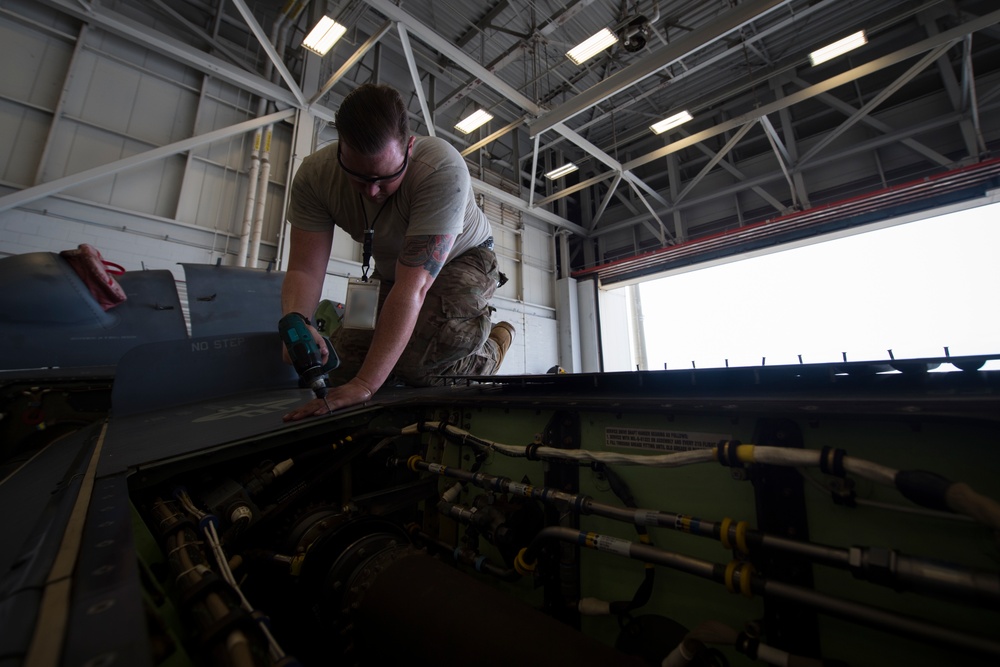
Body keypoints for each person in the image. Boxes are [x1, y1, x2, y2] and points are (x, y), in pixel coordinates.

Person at [280, 83, 514, 421]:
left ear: (409, 147)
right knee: (344, 366)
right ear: (340, 151)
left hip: (464, 258)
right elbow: (304, 270)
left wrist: (365, 385)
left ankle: (494, 342)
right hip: (391, 268)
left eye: (385, 178)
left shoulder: (440, 169)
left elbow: (412, 289)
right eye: (360, 179)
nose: (372, 191)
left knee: (417, 365)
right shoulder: (314, 179)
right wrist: (299, 323)